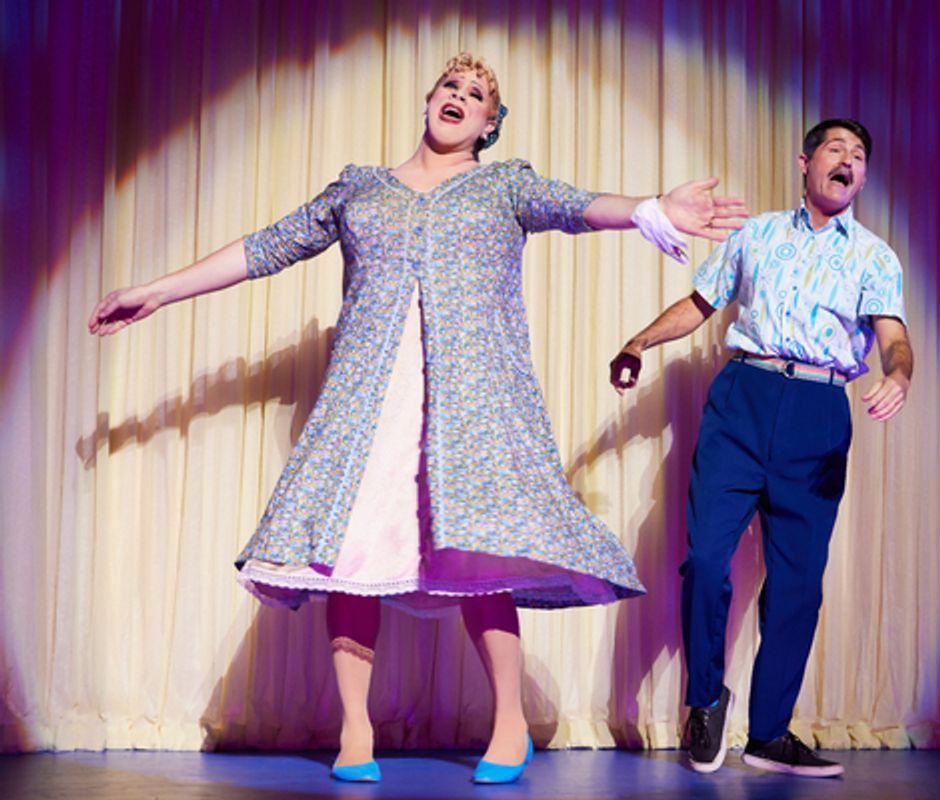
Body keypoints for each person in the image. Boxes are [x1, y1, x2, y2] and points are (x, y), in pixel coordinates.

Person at [89, 53, 747, 784]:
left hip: (473, 401)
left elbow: (579, 205)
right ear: (428, 99)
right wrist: (156, 290)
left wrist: (653, 207)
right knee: (351, 555)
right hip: (369, 400)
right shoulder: (360, 189)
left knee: (479, 552)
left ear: (490, 125)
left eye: (478, 95)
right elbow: (263, 249)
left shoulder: (505, 184)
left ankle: (506, 723)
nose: (460, 97)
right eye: (451, 87)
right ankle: (356, 730)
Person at [609, 118, 912, 778]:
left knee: (799, 586)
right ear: (805, 163)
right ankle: (706, 701)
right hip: (743, 398)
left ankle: (770, 733)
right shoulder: (756, 235)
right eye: (836, 149)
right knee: (705, 562)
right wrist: (638, 340)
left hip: (819, 411)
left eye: (859, 155)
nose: (848, 161)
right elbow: (701, 302)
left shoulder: (873, 256)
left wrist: (899, 372)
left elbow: (892, 335)